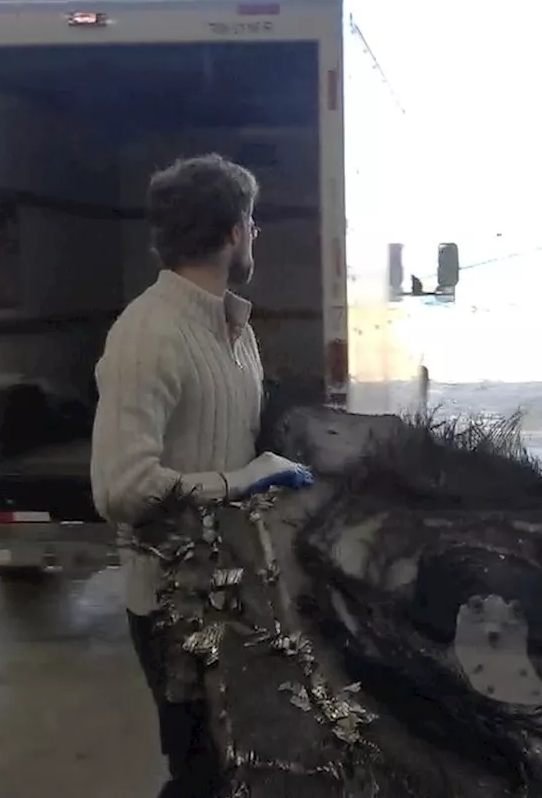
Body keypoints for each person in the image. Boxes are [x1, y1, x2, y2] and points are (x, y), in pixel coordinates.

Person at [91, 153, 306, 798]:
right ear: (235, 231)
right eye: (254, 223)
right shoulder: (147, 334)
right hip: (171, 607)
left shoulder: (234, 330)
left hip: (238, 594)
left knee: (242, 765)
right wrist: (244, 481)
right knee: (201, 775)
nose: (256, 236)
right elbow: (120, 488)